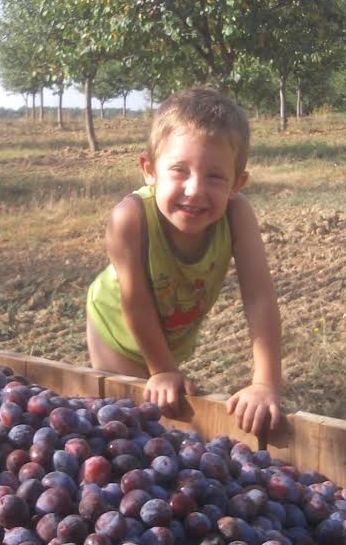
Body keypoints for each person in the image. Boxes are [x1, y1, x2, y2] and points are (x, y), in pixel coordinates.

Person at [86, 86, 282, 436]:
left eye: (215, 176)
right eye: (179, 170)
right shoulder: (130, 219)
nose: (195, 190)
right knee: (131, 426)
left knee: (165, 420)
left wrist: (265, 383)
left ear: (238, 183)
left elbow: (259, 296)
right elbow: (138, 304)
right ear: (149, 170)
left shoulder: (237, 216)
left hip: (169, 333)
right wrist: (162, 369)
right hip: (115, 332)